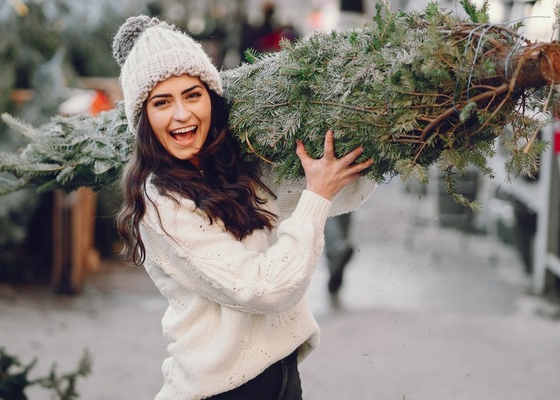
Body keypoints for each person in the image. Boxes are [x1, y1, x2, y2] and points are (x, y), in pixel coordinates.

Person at [112, 16, 376, 400]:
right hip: (222, 392)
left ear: (211, 98)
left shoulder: (233, 168)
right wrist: (317, 196)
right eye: (162, 102)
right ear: (144, 119)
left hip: (280, 380)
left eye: (192, 95)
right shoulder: (161, 204)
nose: (182, 113)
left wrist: (380, 138)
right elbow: (263, 287)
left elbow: (341, 193)